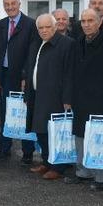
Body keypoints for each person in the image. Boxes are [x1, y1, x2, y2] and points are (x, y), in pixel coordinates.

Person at [65, 8, 103, 190]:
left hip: (100, 98)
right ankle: (83, 172)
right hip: (80, 97)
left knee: (100, 137)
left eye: (90, 21)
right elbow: (71, 72)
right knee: (80, 135)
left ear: (99, 22)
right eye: (83, 21)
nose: (87, 25)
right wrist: (69, 96)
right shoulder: (78, 42)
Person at [24, 14, 74, 179]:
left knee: (56, 133)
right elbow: (31, 68)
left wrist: (67, 99)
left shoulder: (66, 44)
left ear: (55, 27)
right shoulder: (36, 44)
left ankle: (57, 167)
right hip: (37, 95)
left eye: (47, 27)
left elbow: (70, 73)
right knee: (41, 131)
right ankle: (46, 161)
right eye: (41, 28)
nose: (44, 31)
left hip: (56, 97)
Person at [0, 0, 40, 165]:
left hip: (22, 77)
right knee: (5, 113)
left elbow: (32, 54)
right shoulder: (0, 25)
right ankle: (4, 149)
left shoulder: (31, 25)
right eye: (7, 5)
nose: (10, 7)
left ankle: (28, 152)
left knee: (25, 113)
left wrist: (25, 77)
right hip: (4, 75)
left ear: (19, 4)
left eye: (13, 4)